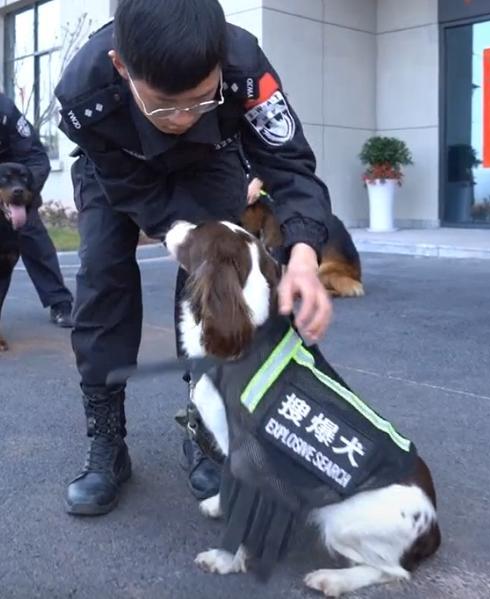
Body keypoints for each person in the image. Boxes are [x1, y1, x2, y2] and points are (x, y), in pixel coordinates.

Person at [55, 0, 333, 516]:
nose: (182, 118)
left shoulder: (245, 66)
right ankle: (108, 443)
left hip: (211, 164)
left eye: (201, 100)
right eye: (164, 105)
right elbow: (132, 191)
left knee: (213, 288)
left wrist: (303, 255)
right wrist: (178, 234)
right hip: (118, 172)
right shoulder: (84, 92)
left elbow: (290, 164)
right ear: (122, 66)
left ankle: (205, 430)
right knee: (102, 282)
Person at [0, 93, 73, 327]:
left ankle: (59, 302)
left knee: (30, 232)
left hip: (12, 178)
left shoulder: (5, 110)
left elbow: (36, 157)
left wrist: (23, 194)